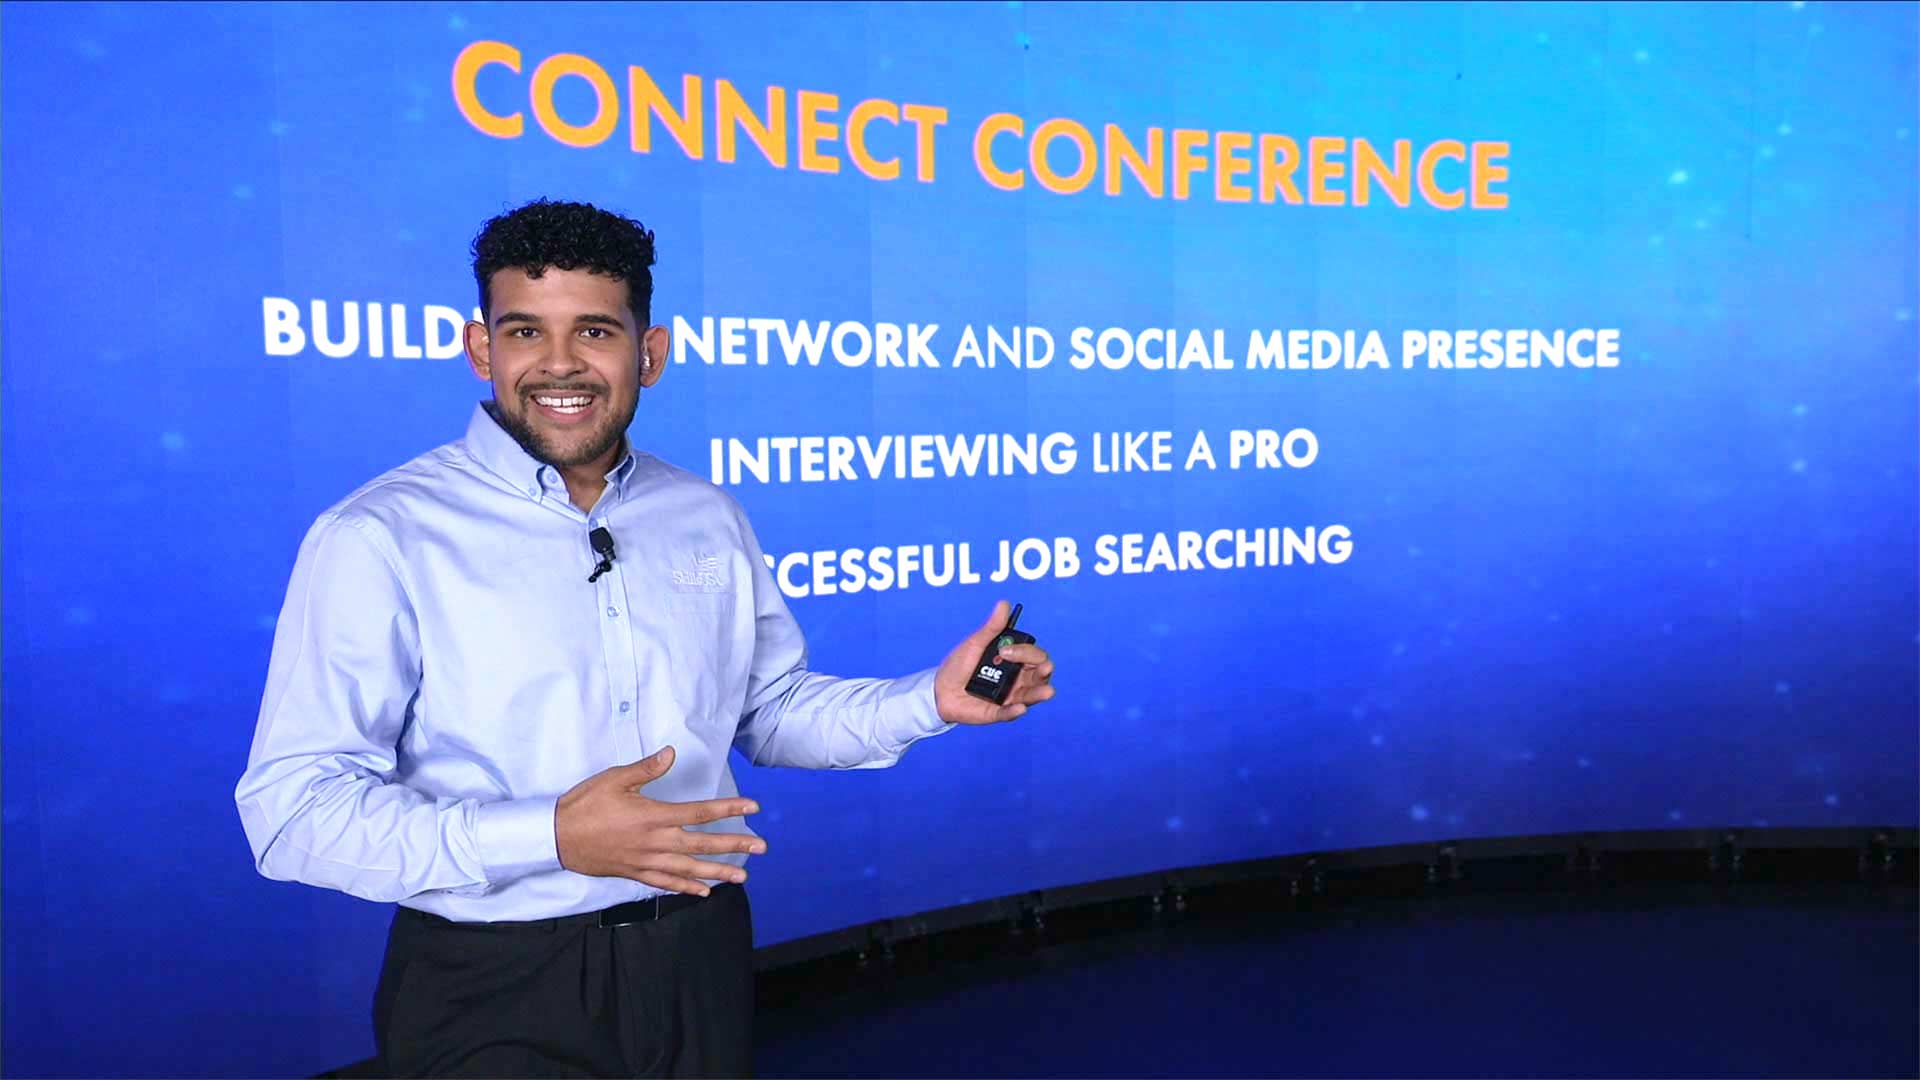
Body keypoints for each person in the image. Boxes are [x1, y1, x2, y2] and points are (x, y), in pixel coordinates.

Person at [234, 198, 1056, 1077]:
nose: (559, 364)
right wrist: (549, 836)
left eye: (594, 331)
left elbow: (767, 712)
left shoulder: (703, 514)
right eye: (524, 332)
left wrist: (926, 701)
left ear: (649, 353)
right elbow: (292, 813)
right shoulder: (379, 536)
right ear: (482, 350)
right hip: (494, 982)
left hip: (697, 959)